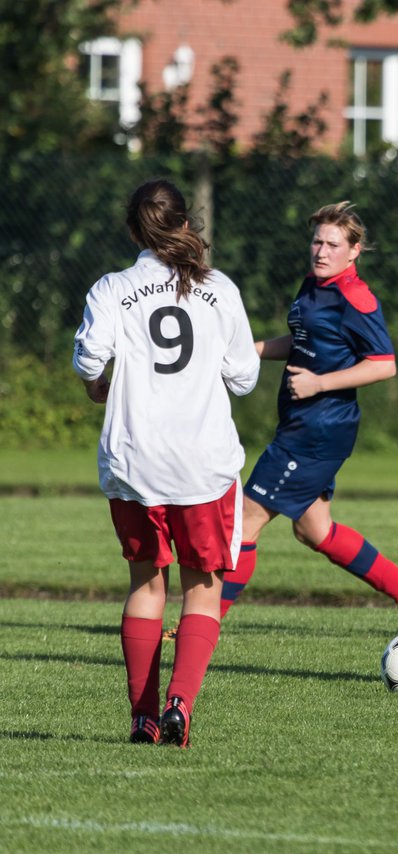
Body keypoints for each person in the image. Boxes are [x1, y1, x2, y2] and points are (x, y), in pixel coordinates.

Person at [73, 179, 260, 747]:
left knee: (145, 583)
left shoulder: (112, 287)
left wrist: (100, 383)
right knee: (202, 587)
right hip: (202, 465)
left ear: (134, 231)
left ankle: (143, 718)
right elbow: (244, 378)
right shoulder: (219, 288)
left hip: (134, 462)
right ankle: (180, 704)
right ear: (185, 224)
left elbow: (87, 359)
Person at [217, 202, 398, 633]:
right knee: (315, 530)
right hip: (302, 424)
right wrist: (248, 352)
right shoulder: (313, 286)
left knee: (242, 521)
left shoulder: (356, 296)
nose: (321, 250)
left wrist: (319, 384)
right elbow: (300, 341)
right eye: (317, 241)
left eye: (333, 244)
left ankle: (203, 623)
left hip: (319, 429)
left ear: (354, 251)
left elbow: (383, 363)